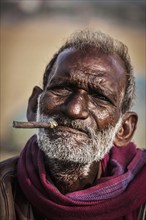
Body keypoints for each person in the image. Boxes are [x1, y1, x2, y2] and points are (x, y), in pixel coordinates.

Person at [0, 30, 146, 220]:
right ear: (33, 105)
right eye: (62, 88)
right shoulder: (5, 190)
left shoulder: (140, 192)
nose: (75, 110)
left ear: (123, 129)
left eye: (99, 97)